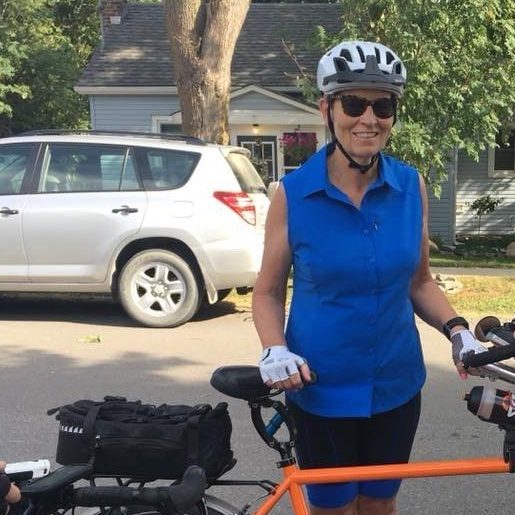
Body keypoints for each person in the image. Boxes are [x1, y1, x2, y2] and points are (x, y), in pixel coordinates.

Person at [252, 40, 486, 515]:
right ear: (327, 109)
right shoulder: (293, 194)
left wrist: (458, 330)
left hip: (397, 387)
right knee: (333, 509)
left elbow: (419, 282)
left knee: (380, 505)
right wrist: (274, 348)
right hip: (320, 388)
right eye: (354, 103)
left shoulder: (411, 186)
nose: (369, 119)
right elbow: (268, 292)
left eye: (383, 106)